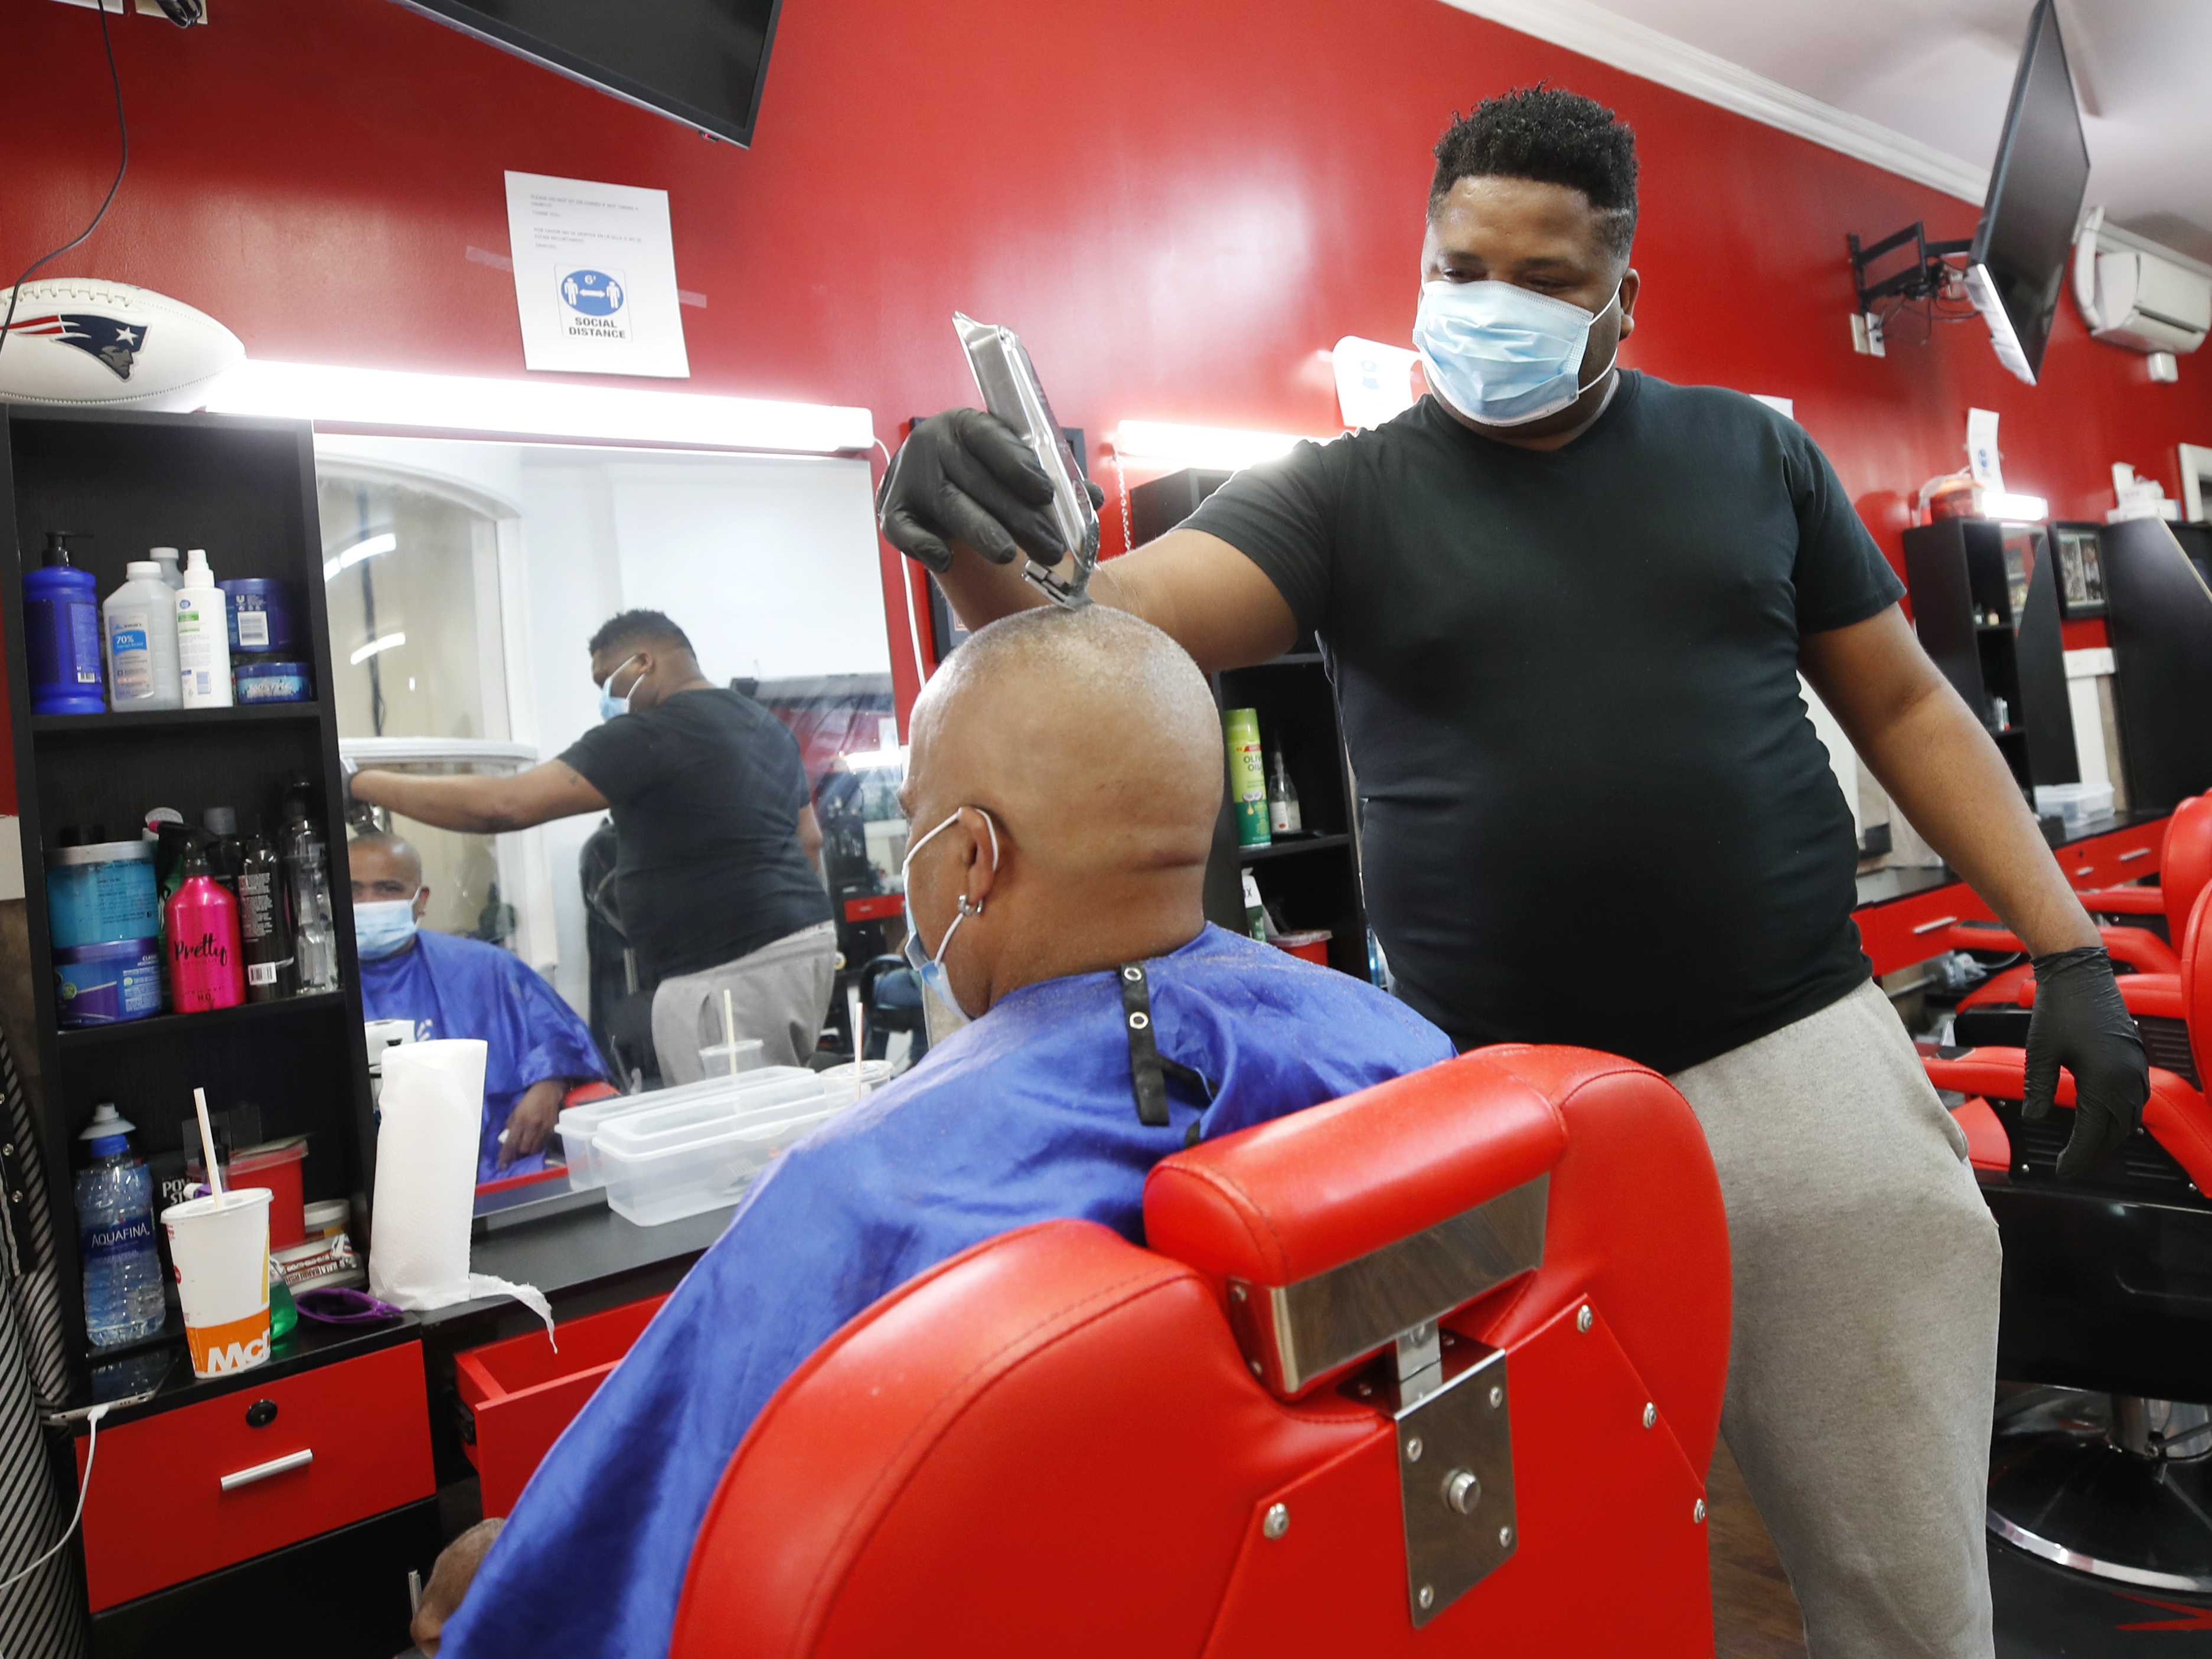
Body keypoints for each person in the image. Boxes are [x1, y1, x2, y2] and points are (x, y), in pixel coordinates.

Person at [875, 89, 2149, 1659]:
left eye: (1543, 278)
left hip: (1793, 1058)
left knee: (1900, 1583)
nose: (1492, 308)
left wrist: (2071, 949)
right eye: (1459, 267)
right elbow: (1084, 628)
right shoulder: (1344, 493)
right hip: (1491, 1107)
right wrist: (966, 539)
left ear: (1625, 293)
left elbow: (1902, 702)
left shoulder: (1751, 453)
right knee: (1522, 1581)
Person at [432, 605, 1454, 1659]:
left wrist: (520, 1560)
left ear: (973, 856)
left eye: (916, 821)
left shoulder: (859, 1193)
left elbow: (636, 1554)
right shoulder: (1398, 1046)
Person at [350, 610, 837, 1079]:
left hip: (728, 970)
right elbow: (809, 841)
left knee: (737, 1138)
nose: (607, 698)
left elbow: (505, 805)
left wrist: (361, 783)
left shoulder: (652, 731)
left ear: (644, 662)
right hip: (803, 948)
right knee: (783, 1106)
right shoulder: (765, 725)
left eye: (607, 680)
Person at [348, 830, 605, 1181]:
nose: (368, 903)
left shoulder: (485, 969)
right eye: (353, 891)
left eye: (388, 889)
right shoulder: (318, 999)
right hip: (377, 1186)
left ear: (420, 900)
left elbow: (564, 1041)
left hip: (499, 1167)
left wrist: (551, 1084)